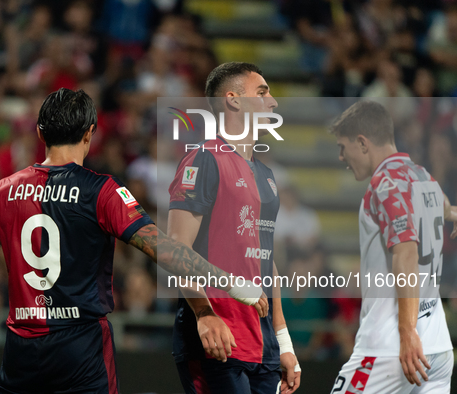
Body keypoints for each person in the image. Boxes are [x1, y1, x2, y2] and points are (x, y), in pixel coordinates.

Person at [0, 88, 267, 394]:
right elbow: (163, 249)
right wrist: (231, 283)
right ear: (90, 133)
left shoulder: (2, 191)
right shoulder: (103, 191)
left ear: (40, 133)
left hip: (22, 350)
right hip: (81, 348)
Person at [168, 62, 301, 394]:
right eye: (262, 92)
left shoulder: (267, 176)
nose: (273, 102)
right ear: (233, 100)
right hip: (217, 337)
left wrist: (283, 340)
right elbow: (175, 250)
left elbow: (266, 260)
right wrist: (203, 314)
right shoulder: (204, 160)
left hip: (262, 342)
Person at [329, 100, 455, 393]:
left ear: (362, 143)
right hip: (437, 349)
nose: (340, 157)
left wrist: (406, 331)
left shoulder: (384, 184)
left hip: (390, 349)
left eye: (342, 147)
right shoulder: (423, 176)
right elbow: (445, 208)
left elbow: (406, 251)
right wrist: (451, 214)